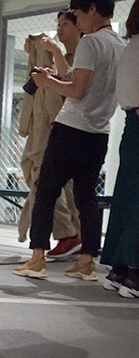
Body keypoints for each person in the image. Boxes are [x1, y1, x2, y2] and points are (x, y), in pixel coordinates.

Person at [13, 0, 126, 280]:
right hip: (99, 132)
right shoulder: (120, 46)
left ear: (91, 9)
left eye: (76, 14)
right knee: (86, 197)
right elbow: (81, 80)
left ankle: (37, 258)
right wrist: (57, 74)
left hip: (71, 128)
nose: (77, 20)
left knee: (45, 191)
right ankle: (87, 261)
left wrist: (46, 82)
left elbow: (77, 90)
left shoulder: (91, 42)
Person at [17, 9, 83, 259]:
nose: (60, 28)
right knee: (56, 183)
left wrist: (53, 56)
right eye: (59, 24)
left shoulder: (80, 56)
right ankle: (73, 235)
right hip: (59, 128)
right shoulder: (63, 56)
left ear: (79, 27)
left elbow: (73, 87)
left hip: (69, 129)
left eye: (65, 24)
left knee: (45, 180)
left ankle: (67, 235)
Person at [100, 0, 139, 298]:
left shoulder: (131, 47)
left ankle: (119, 270)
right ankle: (135, 273)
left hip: (131, 124)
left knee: (127, 195)